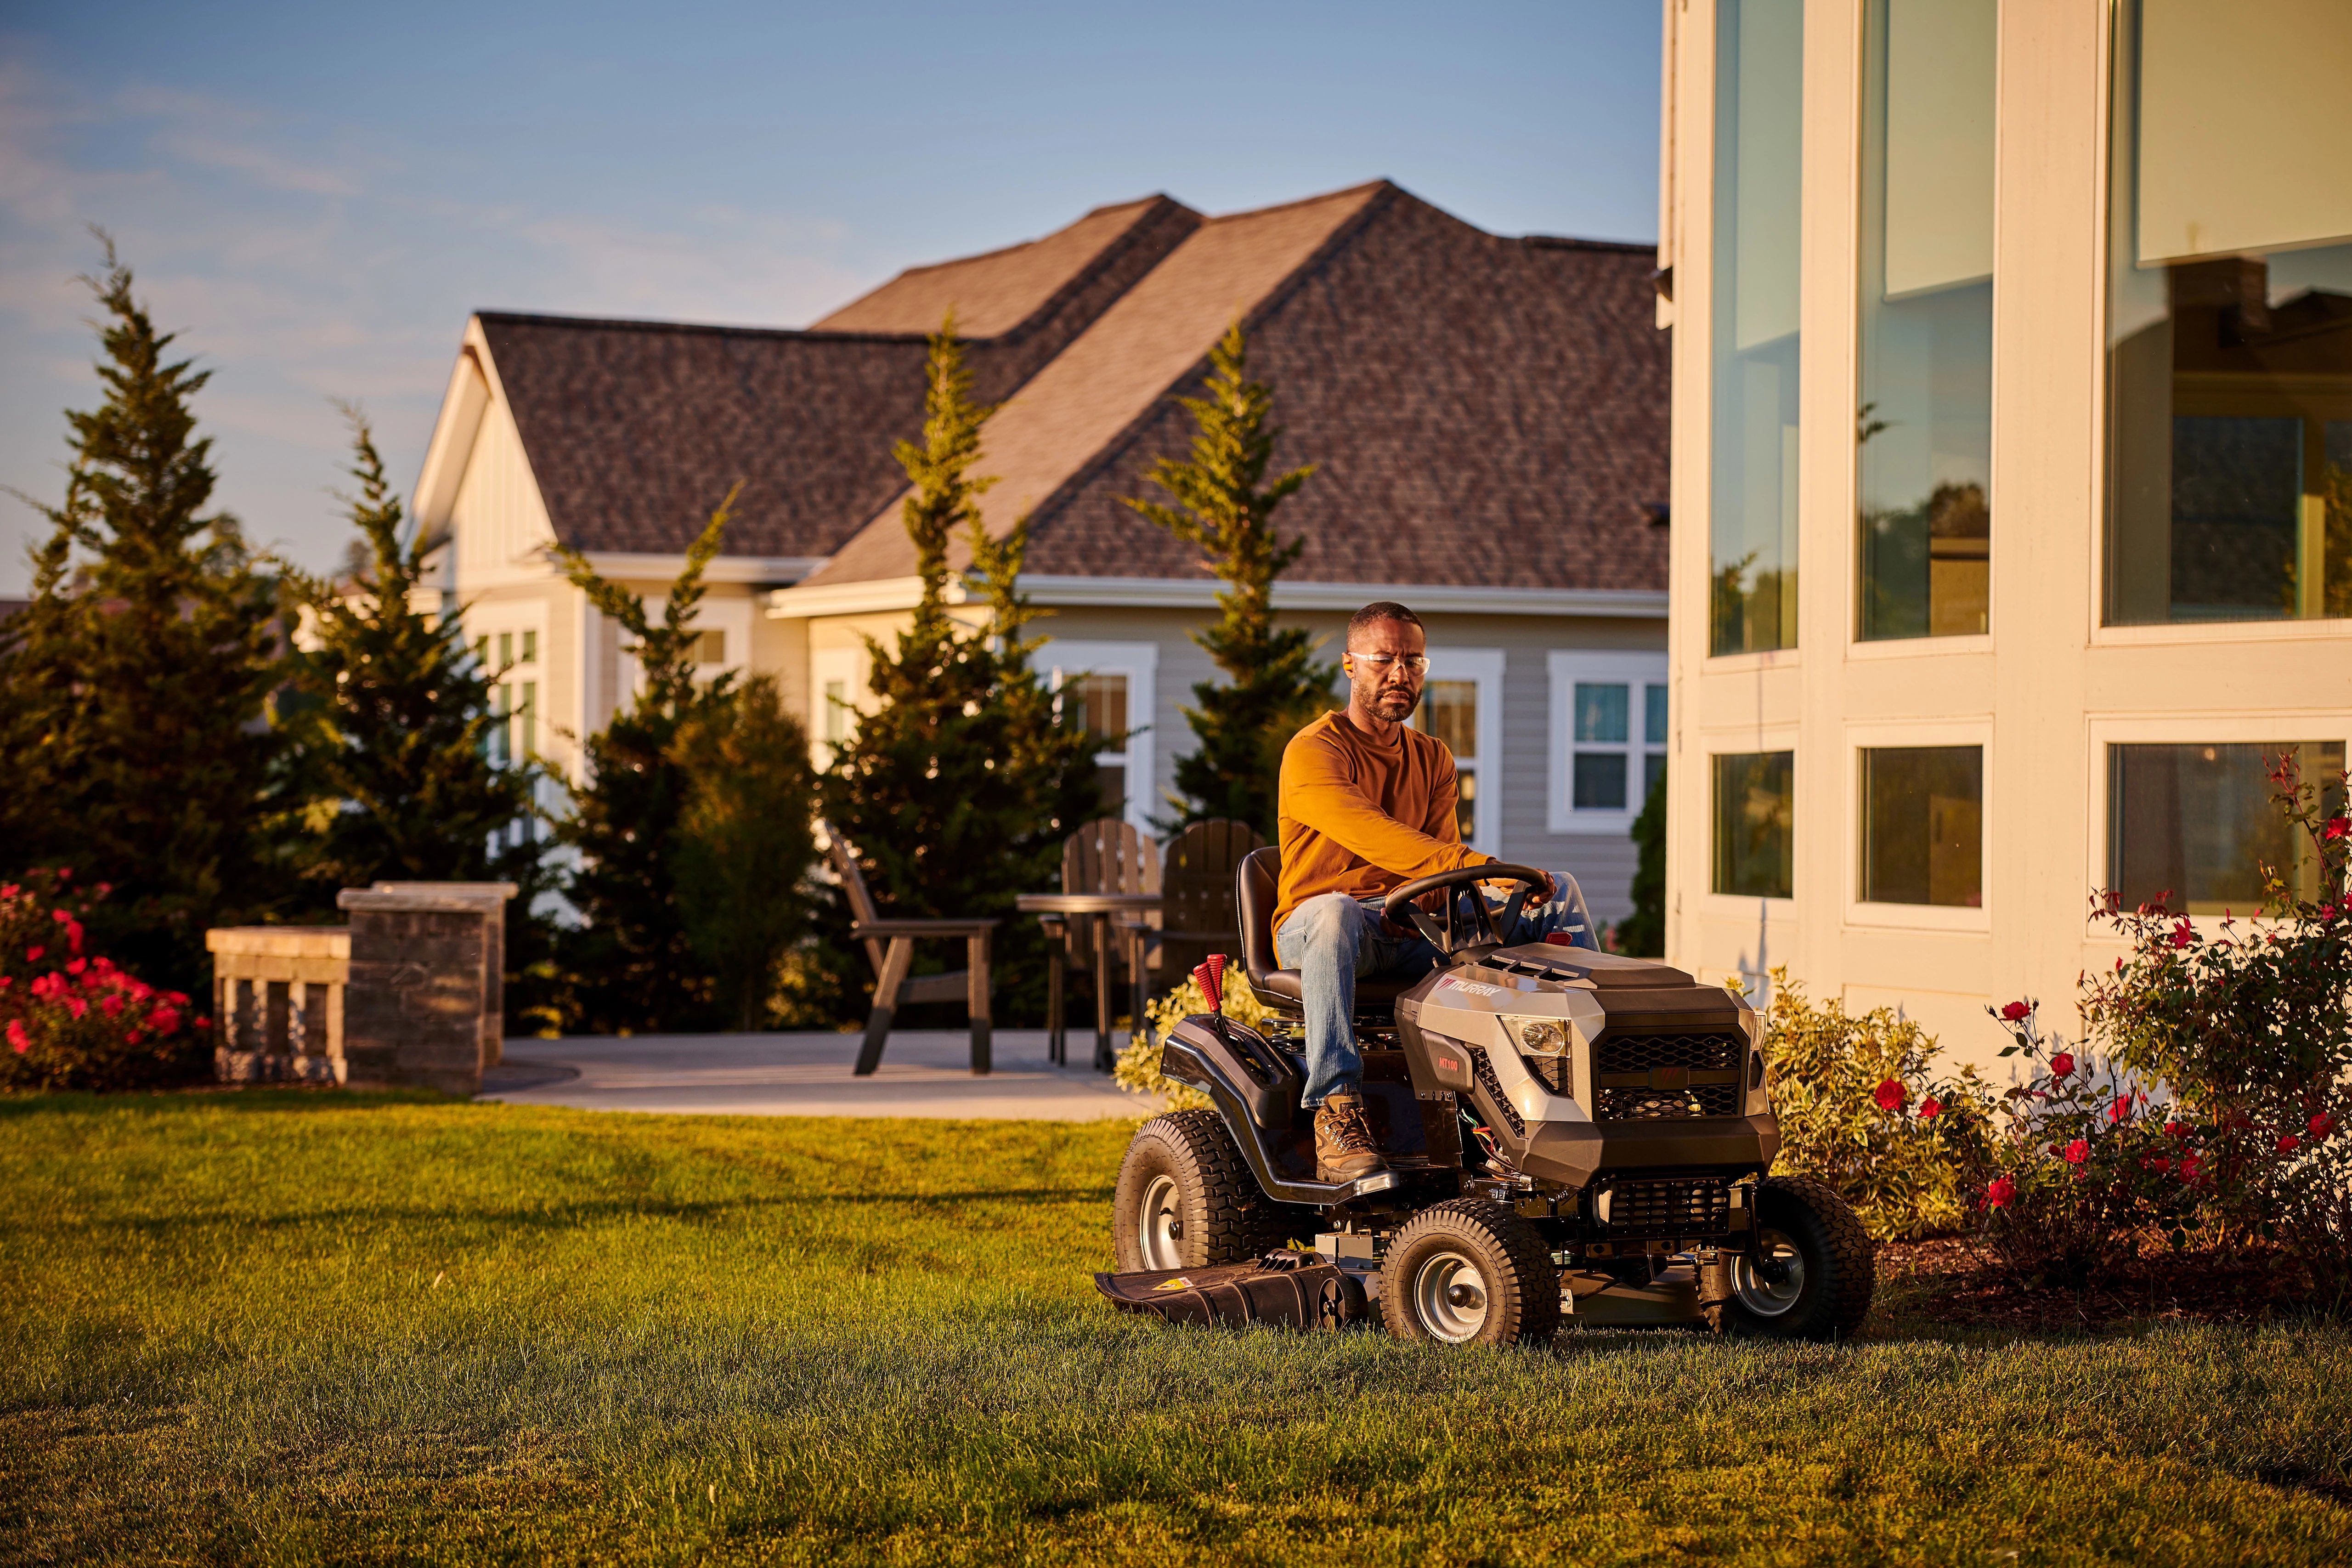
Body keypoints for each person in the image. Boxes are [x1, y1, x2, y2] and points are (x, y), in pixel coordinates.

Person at [1274, 601, 1597, 1183]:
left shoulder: (1432, 757)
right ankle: (1336, 1107)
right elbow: (1376, 837)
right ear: (1350, 664)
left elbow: (1435, 870)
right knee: (1336, 912)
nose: (1401, 674)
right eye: (1384, 659)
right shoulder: (1313, 750)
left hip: (1407, 926)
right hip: (1320, 928)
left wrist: (1476, 891)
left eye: (1413, 661)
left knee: (1558, 895)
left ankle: (1587, 1075)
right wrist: (1481, 866)